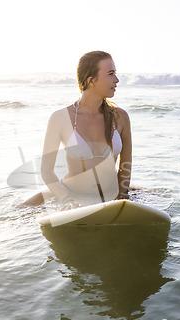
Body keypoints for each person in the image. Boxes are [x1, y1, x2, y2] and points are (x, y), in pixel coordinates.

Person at [23, 51, 132, 207]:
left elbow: (126, 165)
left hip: (112, 196)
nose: (117, 79)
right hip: (72, 197)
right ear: (91, 80)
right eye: (111, 73)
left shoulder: (120, 117)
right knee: (14, 215)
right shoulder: (60, 118)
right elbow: (47, 171)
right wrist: (66, 202)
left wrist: (122, 197)